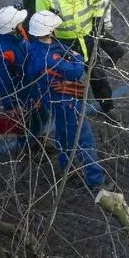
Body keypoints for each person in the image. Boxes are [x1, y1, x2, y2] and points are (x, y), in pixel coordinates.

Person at [24, 10, 107, 194]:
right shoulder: (51, 58)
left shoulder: (35, 48)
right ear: (50, 31)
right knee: (84, 139)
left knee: (62, 136)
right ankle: (95, 179)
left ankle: (67, 169)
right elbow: (76, 69)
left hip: (51, 100)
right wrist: (76, 57)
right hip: (67, 101)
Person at [35, 0, 112, 116]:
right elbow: (42, 19)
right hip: (64, 43)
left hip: (88, 38)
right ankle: (72, 112)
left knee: (98, 76)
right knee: (68, 79)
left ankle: (108, 108)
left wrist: (98, 21)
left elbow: (99, 1)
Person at [0, 5, 39, 138]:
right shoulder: (2, 51)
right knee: (25, 125)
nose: (22, 24)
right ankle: (29, 149)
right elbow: (3, 82)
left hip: (30, 85)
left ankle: (38, 139)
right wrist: (11, 106)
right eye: (19, 23)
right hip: (22, 92)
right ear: (12, 27)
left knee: (38, 117)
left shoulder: (17, 36)